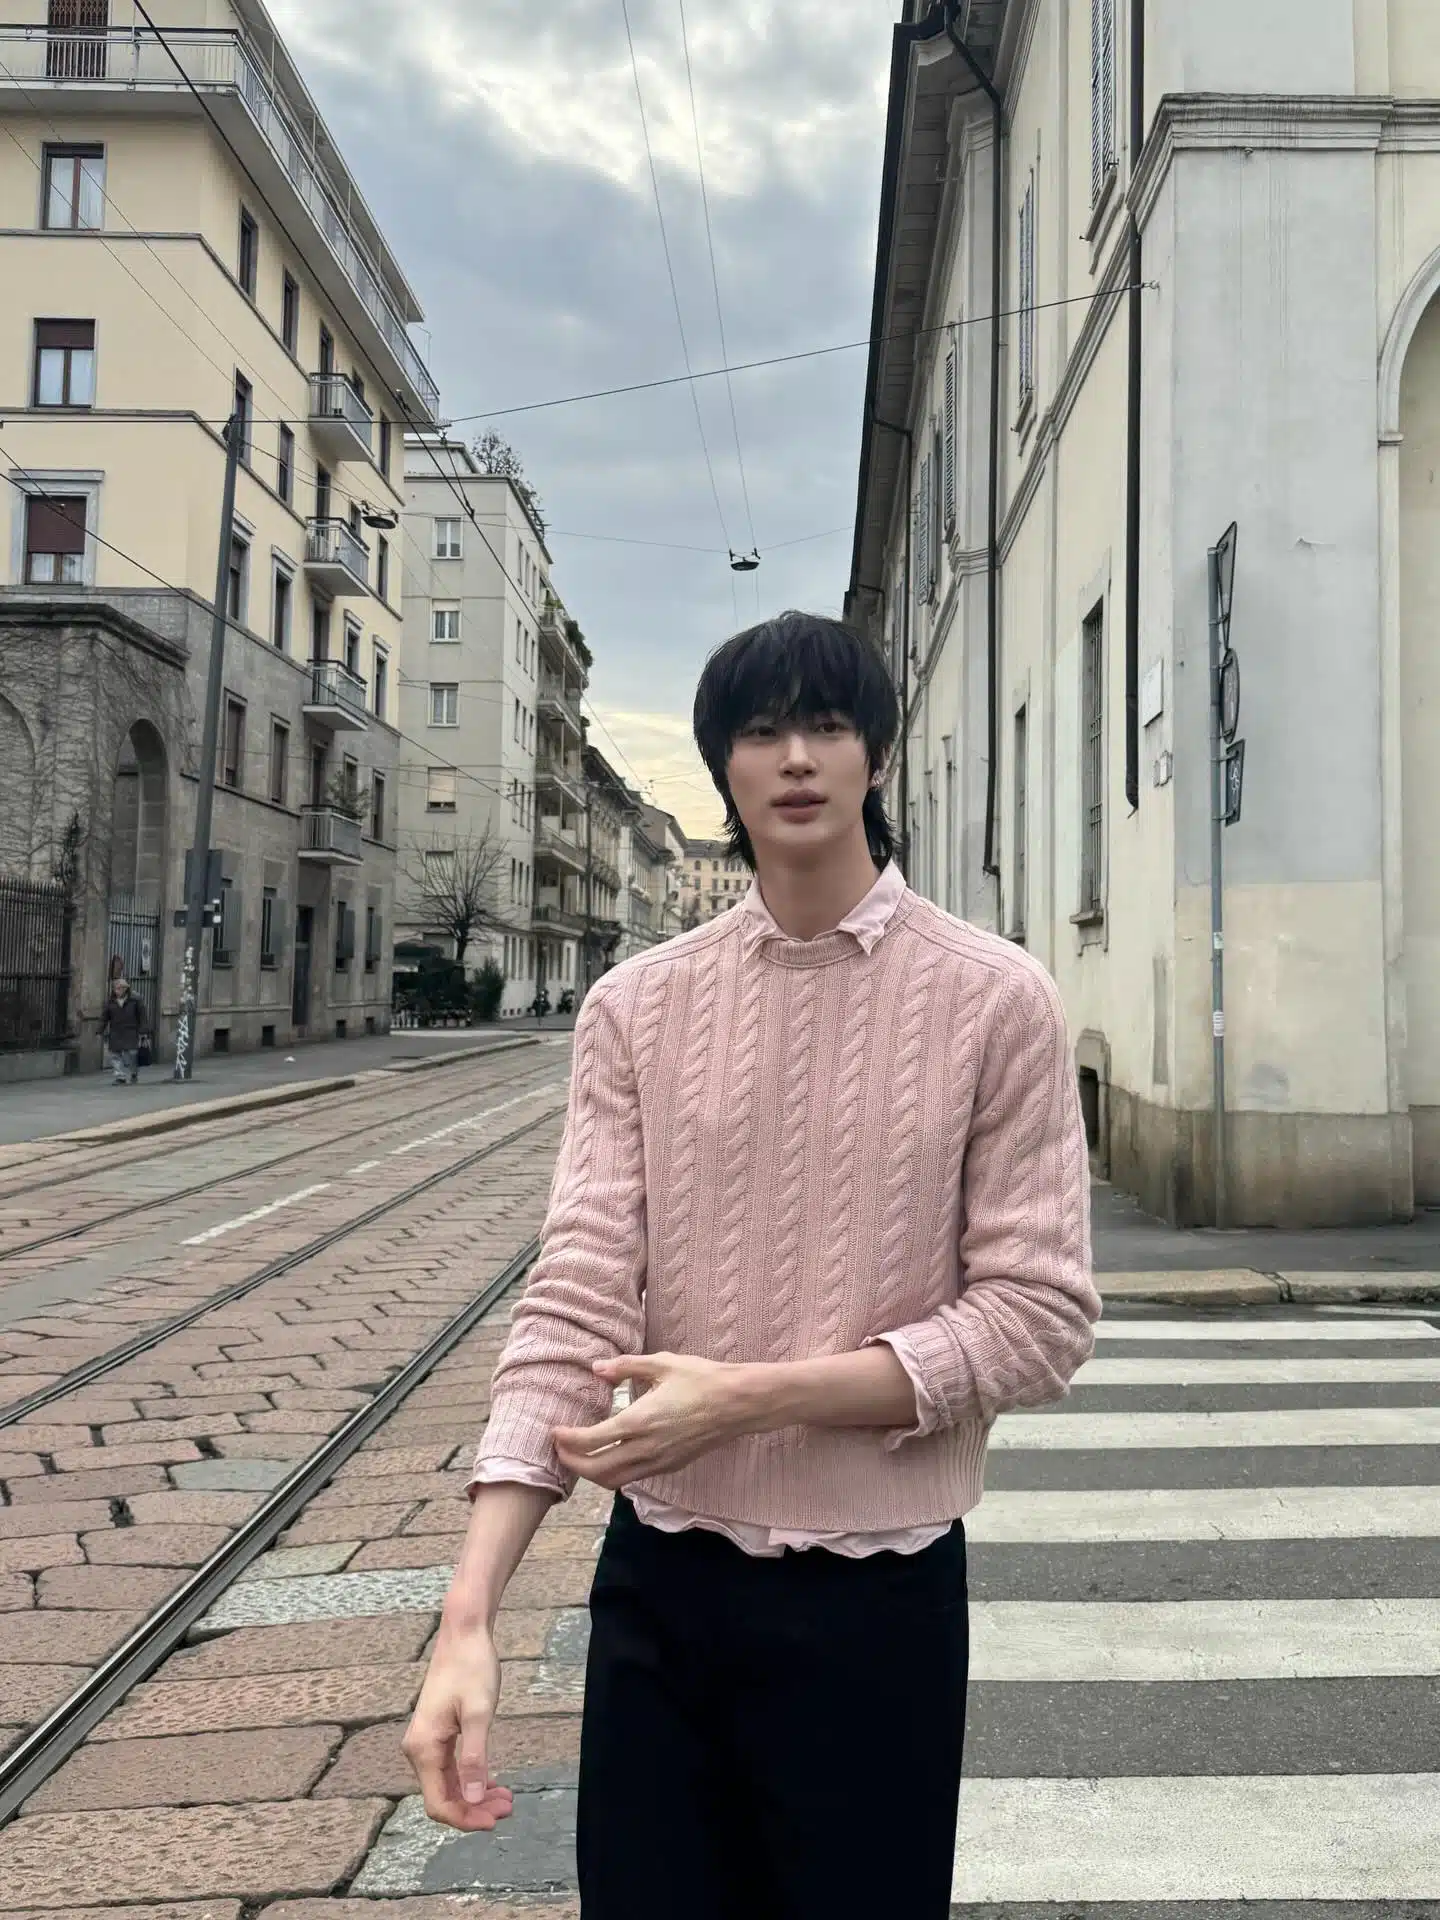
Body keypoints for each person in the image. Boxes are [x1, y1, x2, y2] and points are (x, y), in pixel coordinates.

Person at [404, 611, 1100, 1918]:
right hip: (664, 1582)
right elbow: (575, 1298)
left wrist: (748, 1398)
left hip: (881, 1591)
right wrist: (469, 1615)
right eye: (761, 730)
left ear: (876, 755)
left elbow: (1038, 1318)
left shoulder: (996, 998)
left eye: (827, 725)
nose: (795, 757)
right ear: (721, 762)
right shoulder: (636, 1006)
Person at [100, 975, 145, 1085]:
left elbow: (142, 1016)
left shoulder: (135, 999)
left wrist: (143, 1030)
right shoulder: (111, 1001)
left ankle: (133, 1073)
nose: (118, 991)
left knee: (132, 1054)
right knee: (115, 1054)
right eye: (116, 988)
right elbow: (104, 1017)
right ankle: (120, 1076)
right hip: (116, 1031)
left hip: (131, 1030)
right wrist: (100, 1029)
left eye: (120, 988)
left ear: (126, 989)